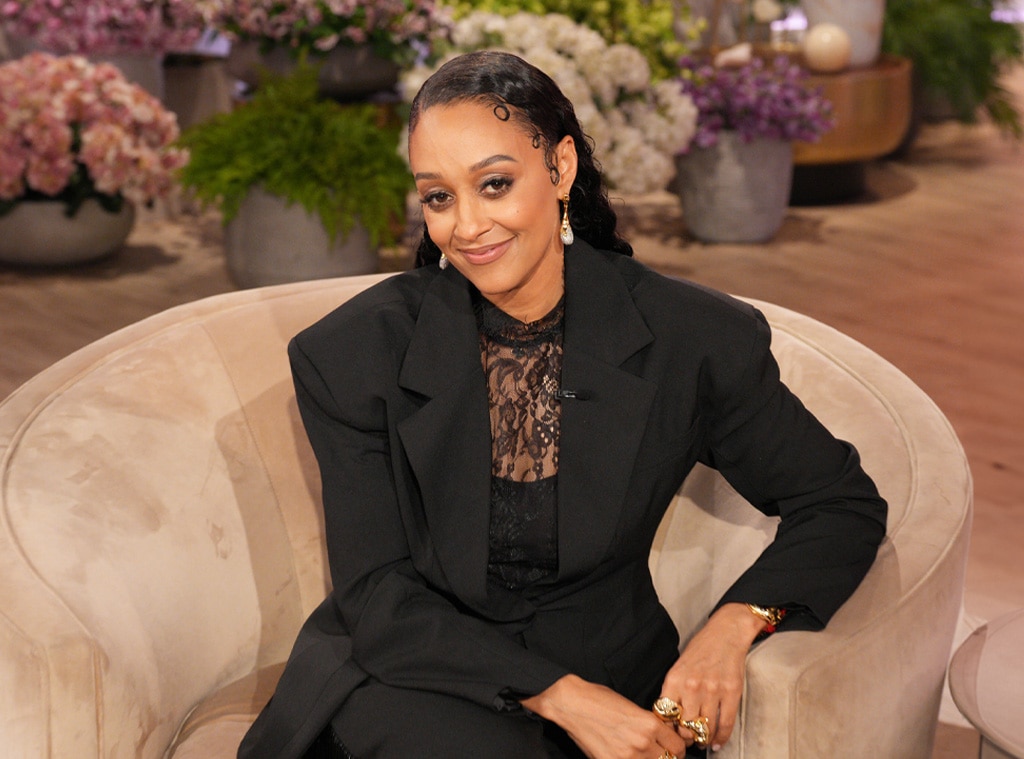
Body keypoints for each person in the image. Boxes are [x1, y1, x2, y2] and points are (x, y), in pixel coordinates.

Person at [238, 50, 887, 759]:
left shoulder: (690, 338)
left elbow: (838, 501)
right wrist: (560, 695)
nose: (467, 225)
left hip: (611, 666)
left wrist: (734, 623)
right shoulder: (351, 354)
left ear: (561, 167)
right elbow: (378, 598)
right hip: (415, 675)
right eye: (439, 197)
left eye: (494, 184)